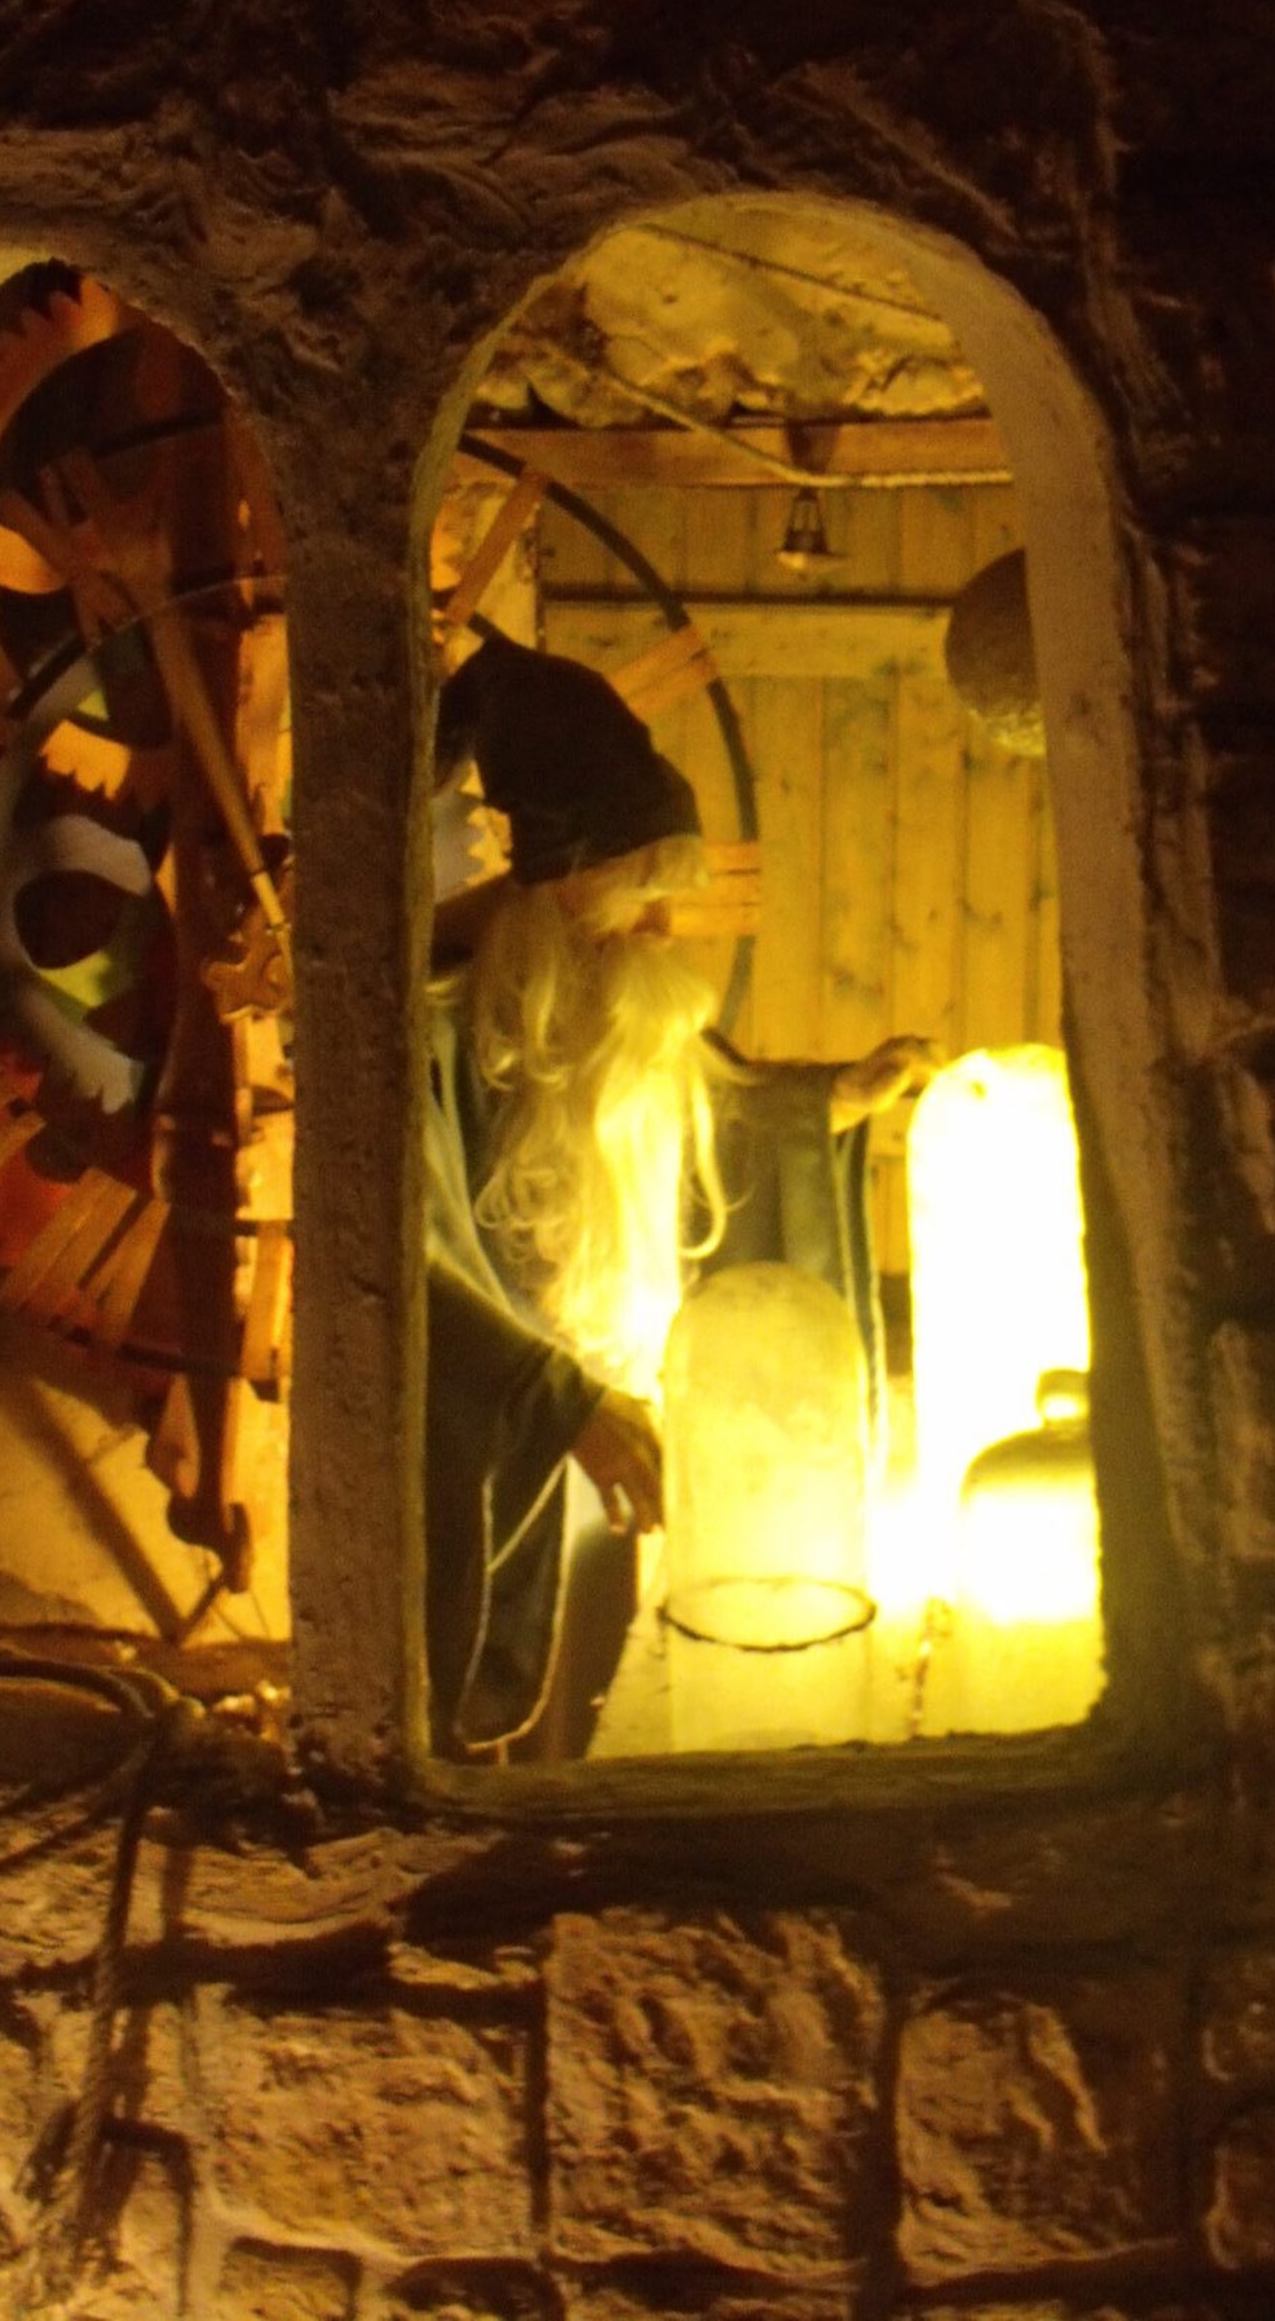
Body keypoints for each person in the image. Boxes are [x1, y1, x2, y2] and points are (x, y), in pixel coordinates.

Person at [424, 629, 934, 1754]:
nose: (661, 932)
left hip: (618, 1425)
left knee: (615, 1703)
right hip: (523, 1447)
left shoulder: (594, 1003)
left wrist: (824, 1106)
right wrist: (557, 1403)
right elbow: (412, 1271)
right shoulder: (432, 1035)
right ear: (544, 889)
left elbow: (698, 1121)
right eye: (635, 899)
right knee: (511, 1738)